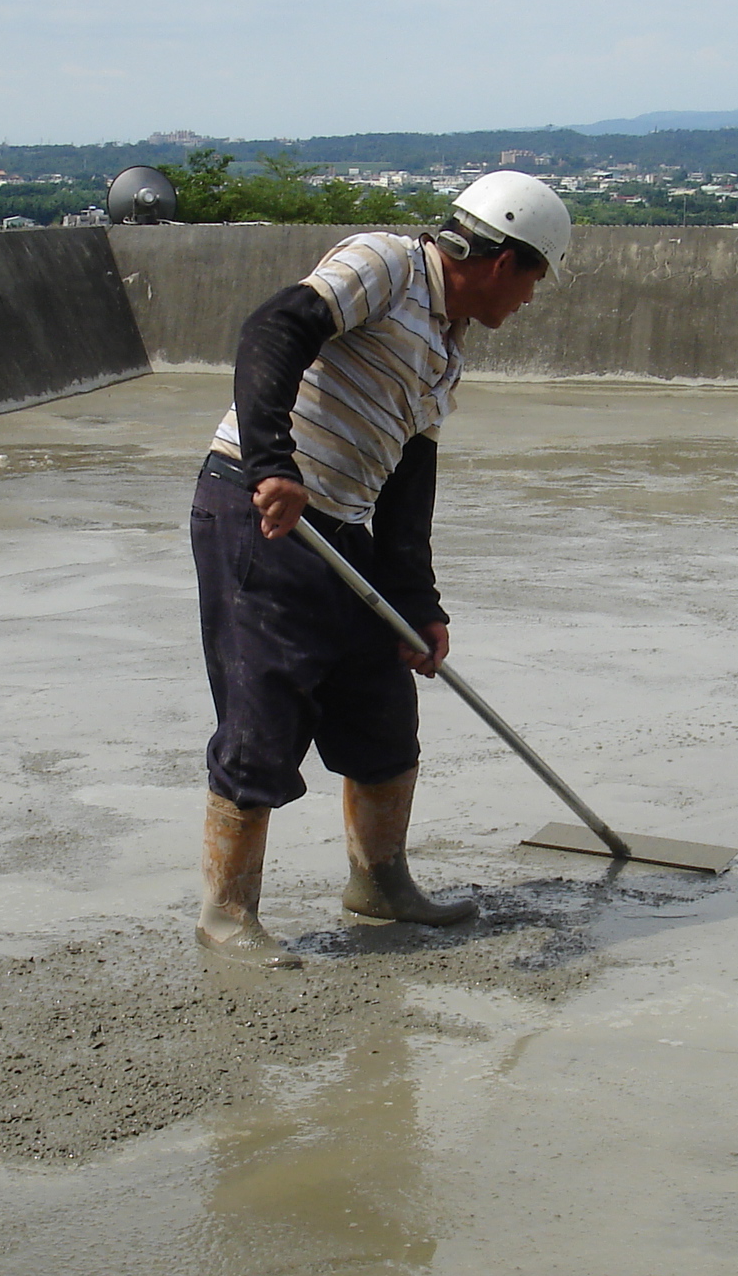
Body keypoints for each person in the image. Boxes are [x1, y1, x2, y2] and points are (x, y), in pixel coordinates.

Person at [187, 172, 574, 966]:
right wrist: (271, 462)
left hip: (342, 530)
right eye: (537, 280)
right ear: (506, 262)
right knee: (265, 714)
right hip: (258, 511)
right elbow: (274, 329)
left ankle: (380, 884)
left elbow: (407, 482)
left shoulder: (445, 347)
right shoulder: (387, 265)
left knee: (382, 712)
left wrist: (418, 603)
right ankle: (226, 916)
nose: (531, 301)